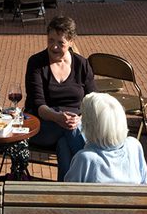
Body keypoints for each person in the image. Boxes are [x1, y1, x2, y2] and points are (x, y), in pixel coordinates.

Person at [25, 16, 97, 181]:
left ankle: (65, 190)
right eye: (51, 40)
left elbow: (94, 101)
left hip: (76, 126)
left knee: (64, 145)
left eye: (60, 42)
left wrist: (79, 118)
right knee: (69, 129)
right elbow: (38, 104)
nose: (54, 46)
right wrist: (57, 117)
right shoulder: (36, 63)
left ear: (71, 41)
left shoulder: (82, 64)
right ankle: (93, 175)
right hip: (42, 125)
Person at [66, 92, 147, 185]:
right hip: (136, 199)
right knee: (62, 144)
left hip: (95, 200)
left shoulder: (86, 158)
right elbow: (145, 182)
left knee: (63, 144)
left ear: (90, 125)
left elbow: (68, 193)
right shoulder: (134, 145)